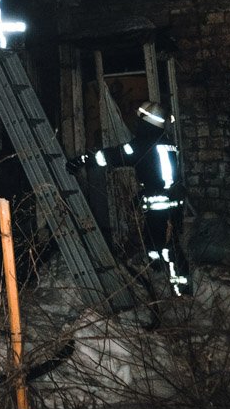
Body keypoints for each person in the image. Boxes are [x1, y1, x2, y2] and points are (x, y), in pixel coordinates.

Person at [69, 100, 192, 296]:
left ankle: (181, 292)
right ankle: (164, 280)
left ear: (146, 121)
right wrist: (143, 193)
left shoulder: (143, 144)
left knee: (164, 246)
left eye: (139, 119)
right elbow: (160, 174)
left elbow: (114, 156)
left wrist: (84, 160)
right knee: (165, 243)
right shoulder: (165, 141)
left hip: (159, 203)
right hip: (172, 201)